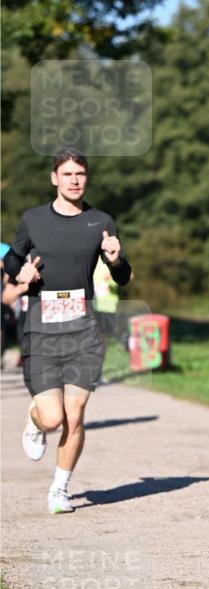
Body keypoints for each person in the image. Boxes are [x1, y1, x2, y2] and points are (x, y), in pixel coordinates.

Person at [3, 150, 132, 513]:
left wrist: (116, 258)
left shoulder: (101, 222)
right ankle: (34, 419)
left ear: (86, 178)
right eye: (67, 173)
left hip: (83, 333)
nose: (74, 179)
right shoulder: (33, 220)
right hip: (41, 333)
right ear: (54, 178)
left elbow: (122, 275)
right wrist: (21, 274)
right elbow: (12, 260)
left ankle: (60, 489)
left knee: (74, 416)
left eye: (80, 174)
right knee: (53, 418)